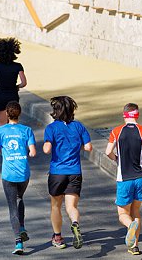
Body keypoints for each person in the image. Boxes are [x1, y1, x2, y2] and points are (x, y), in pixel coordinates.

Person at [105, 103, 142, 256]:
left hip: (124, 178)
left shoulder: (116, 131)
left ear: (124, 115)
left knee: (123, 214)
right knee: (136, 210)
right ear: (137, 115)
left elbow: (108, 151)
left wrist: (117, 159)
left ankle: (130, 225)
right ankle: (134, 246)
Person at [42, 96, 92, 250]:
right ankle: (75, 224)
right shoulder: (79, 127)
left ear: (55, 111)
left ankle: (58, 237)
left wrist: (48, 144)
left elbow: (47, 149)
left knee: (56, 206)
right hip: (75, 172)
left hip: (57, 172)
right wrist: (77, 148)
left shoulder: (51, 128)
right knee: (71, 207)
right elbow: (89, 147)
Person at [0, 101, 36, 255]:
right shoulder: (27, 130)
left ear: (6, 114)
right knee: (19, 197)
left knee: (12, 209)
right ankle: (22, 227)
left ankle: (18, 242)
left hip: (8, 174)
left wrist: (3, 149)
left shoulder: (0, 131)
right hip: (24, 173)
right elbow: (33, 152)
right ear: (19, 114)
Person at [0, 37, 27, 126]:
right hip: (13, 97)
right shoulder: (18, 66)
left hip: (0, 97)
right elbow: (24, 82)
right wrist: (16, 86)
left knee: (1, 125)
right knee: (13, 124)